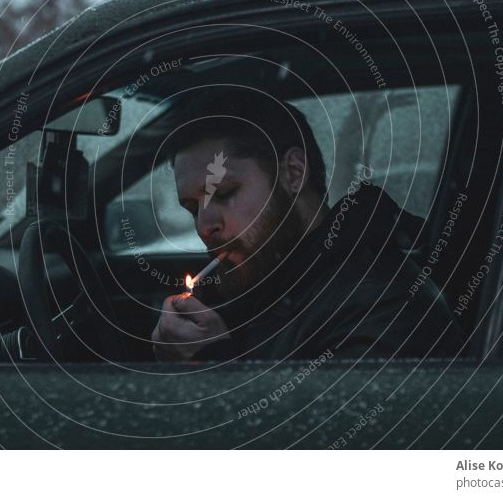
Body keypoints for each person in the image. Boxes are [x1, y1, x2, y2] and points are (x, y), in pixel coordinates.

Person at [151, 87, 464, 362]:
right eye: (192, 208)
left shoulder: (382, 305)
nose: (204, 226)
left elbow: (327, 427)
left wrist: (213, 361)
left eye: (223, 193)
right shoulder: (266, 280)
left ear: (294, 172)